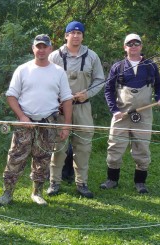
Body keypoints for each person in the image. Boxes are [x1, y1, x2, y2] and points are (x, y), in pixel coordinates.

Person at [0, 34, 73, 206]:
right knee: (15, 157)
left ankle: (37, 192)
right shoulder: (23, 69)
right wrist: (22, 116)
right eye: (38, 46)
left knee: (43, 158)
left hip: (48, 122)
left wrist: (66, 124)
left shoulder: (58, 72)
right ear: (33, 48)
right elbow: (11, 96)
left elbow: (66, 99)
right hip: (25, 122)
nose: (41, 50)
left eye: (45, 47)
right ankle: (7, 193)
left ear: (50, 49)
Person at [100, 33, 160, 194]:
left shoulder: (151, 66)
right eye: (130, 44)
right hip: (121, 115)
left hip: (144, 115)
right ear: (125, 47)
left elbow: (159, 85)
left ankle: (140, 182)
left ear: (141, 46)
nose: (133, 46)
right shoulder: (118, 67)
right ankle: (112, 180)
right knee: (115, 147)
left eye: (137, 43)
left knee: (142, 148)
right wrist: (114, 110)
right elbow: (108, 90)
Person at [47, 21, 105, 198]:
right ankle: (54, 182)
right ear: (66, 35)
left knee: (84, 147)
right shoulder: (55, 56)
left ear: (83, 36)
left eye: (79, 33)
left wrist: (87, 94)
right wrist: (55, 98)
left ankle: (82, 183)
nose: (76, 35)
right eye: (72, 32)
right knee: (58, 146)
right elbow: (45, 80)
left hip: (83, 108)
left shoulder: (92, 56)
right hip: (60, 109)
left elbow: (100, 80)